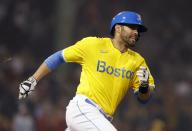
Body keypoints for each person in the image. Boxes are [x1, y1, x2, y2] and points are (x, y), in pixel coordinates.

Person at [19, 11, 156, 131]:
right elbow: (59, 57)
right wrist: (33, 80)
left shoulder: (138, 61)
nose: (136, 32)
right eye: (132, 27)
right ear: (118, 28)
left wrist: (144, 88)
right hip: (84, 108)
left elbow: (143, 99)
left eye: (138, 29)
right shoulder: (93, 44)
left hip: (101, 119)